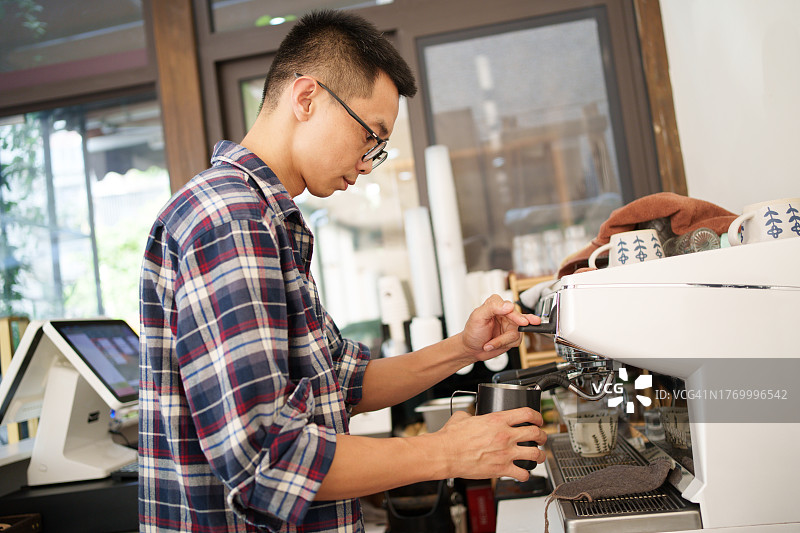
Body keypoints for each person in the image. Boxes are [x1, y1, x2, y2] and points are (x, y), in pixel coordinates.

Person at [139, 9, 545, 533]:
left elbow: (343, 382)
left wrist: (464, 348)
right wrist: (446, 452)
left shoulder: (267, 218)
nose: (368, 162)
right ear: (306, 98)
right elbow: (269, 460)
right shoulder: (231, 220)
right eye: (370, 135)